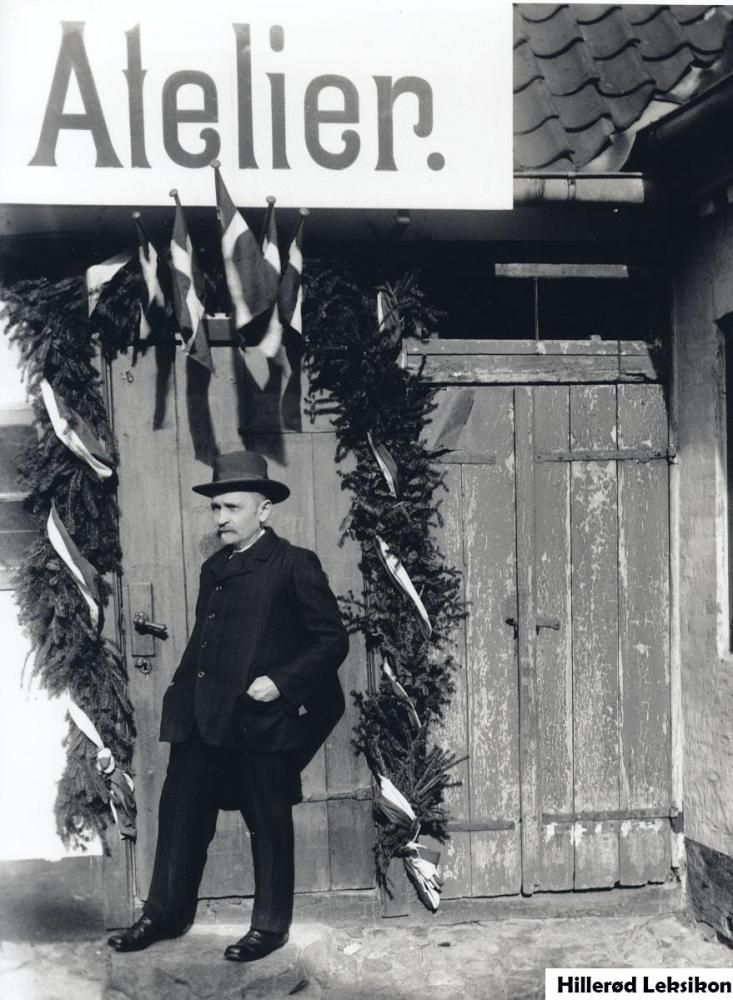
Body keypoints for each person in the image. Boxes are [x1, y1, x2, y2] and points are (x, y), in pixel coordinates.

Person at [108, 450, 349, 961]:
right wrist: (181, 694)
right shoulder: (213, 567)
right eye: (215, 509)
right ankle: (162, 914)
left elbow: (331, 642)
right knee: (180, 817)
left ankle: (269, 926)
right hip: (201, 717)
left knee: (269, 821)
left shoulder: (293, 564)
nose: (220, 519)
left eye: (232, 508)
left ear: (264, 510)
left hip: (259, 722)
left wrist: (281, 684)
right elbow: (206, 639)